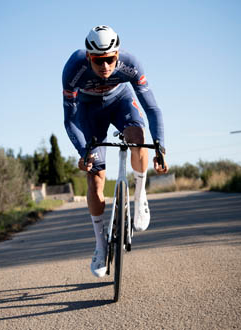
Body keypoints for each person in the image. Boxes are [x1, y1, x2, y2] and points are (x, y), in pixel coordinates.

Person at [62, 25, 168, 277]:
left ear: (117, 54)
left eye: (111, 59)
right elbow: (70, 120)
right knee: (94, 177)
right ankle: (100, 246)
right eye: (99, 61)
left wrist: (160, 145)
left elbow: (152, 109)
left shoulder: (130, 64)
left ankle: (140, 197)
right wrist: (83, 151)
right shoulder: (73, 68)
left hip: (120, 102)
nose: (106, 66)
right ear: (89, 57)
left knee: (137, 137)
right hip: (89, 112)